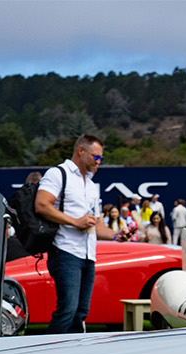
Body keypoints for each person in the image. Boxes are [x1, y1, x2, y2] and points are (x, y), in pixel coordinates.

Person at [35, 134, 114, 335]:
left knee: (80, 312)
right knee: (67, 309)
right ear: (81, 151)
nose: (99, 162)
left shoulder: (91, 184)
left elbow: (96, 225)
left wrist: (116, 235)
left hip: (88, 254)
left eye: (101, 159)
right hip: (64, 250)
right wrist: (75, 221)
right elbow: (41, 204)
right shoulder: (58, 173)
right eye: (96, 157)